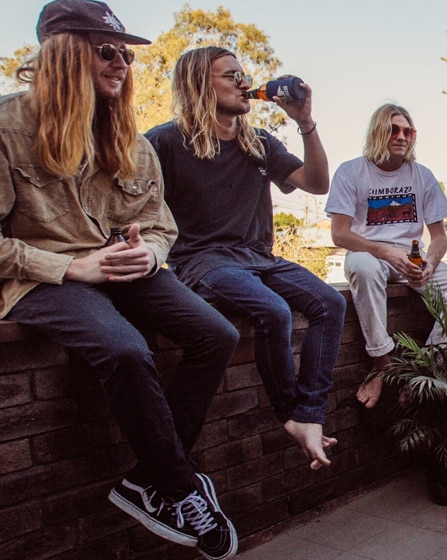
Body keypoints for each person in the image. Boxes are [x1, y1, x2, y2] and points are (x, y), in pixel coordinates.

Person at [0, 1, 240, 558]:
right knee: (128, 351)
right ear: (62, 53)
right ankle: (179, 488)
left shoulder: (131, 142)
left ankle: (147, 479)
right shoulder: (7, 129)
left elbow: (161, 226)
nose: (121, 65)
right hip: (39, 280)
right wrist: (66, 267)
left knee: (217, 335)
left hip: (115, 269)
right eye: (106, 51)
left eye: (125, 55)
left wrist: (148, 254)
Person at [146, 46, 345, 470]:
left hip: (258, 257)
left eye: (242, 74)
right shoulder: (165, 141)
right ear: (200, 83)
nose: (243, 82)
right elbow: (130, 203)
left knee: (331, 302)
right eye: (229, 75)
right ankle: (291, 415)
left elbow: (316, 182)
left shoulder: (258, 142)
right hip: (202, 261)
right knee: (273, 312)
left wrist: (305, 123)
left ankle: (309, 413)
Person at [326, 104, 447, 409]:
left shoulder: (421, 176)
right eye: (393, 129)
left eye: (407, 131)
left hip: (413, 259)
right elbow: (339, 234)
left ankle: (425, 369)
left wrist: (430, 264)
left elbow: (438, 238)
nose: (401, 136)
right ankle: (382, 363)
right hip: (368, 253)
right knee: (364, 269)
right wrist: (384, 251)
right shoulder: (351, 171)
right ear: (377, 132)